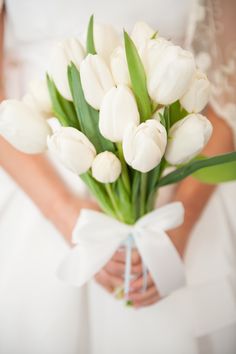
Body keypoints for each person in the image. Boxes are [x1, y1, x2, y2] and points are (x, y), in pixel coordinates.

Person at [0, 0, 235, 353]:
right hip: (39, 191)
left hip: (181, 197)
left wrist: (182, 225)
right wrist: (65, 214)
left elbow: (226, 100)